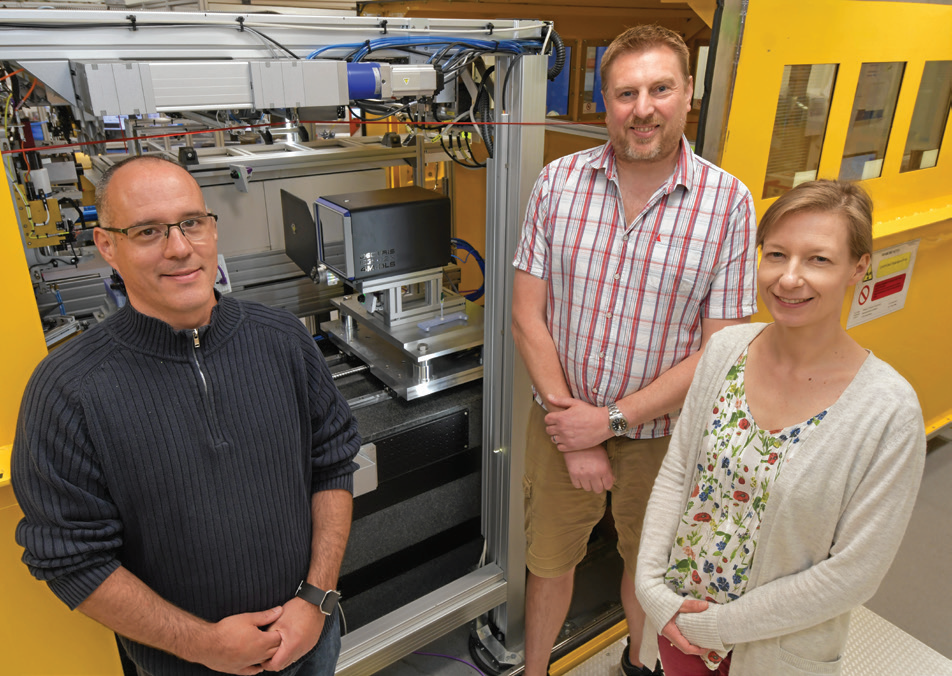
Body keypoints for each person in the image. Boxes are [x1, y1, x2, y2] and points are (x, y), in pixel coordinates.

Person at [12, 155, 361, 676]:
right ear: (108, 245)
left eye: (191, 223)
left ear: (212, 228)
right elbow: (71, 559)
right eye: (148, 231)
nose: (180, 248)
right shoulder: (67, 391)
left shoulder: (284, 340)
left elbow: (332, 465)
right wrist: (202, 645)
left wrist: (315, 600)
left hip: (310, 643)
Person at [511, 24, 758, 676]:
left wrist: (613, 419)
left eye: (659, 89)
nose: (642, 107)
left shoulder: (729, 203)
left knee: (647, 569)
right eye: (626, 92)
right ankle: (534, 670)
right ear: (605, 101)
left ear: (687, 96)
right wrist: (577, 428)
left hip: (663, 437)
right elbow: (526, 316)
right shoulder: (556, 184)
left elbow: (720, 349)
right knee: (550, 561)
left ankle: (638, 664)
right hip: (561, 422)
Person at [634, 180, 926, 675]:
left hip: (771, 651)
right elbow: (679, 470)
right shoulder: (726, 352)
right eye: (776, 254)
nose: (789, 279)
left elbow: (853, 573)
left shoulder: (888, 411)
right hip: (676, 626)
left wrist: (717, 629)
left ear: (859, 267)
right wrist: (652, 590)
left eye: (818, 260)